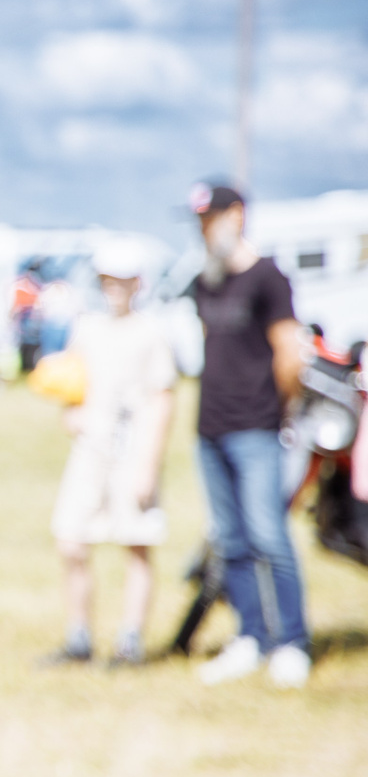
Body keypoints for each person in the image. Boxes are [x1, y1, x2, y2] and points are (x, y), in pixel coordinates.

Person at [187, 183, 311, 688]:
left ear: (236, 215)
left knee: (269, 536)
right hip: (210, 428)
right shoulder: (205, 281)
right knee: (230, 539)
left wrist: (277, 410)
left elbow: (289, 355)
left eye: (211, 217)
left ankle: (292, 642)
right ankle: (251, 635)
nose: (203, 228)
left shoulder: (268, 277)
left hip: (256, 426)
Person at [40, 240, 176, 667]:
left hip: (132, 451)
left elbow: (162, 399)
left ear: (138, 283)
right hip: (90, 451)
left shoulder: (151, 331)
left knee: (136, 543)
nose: (114, 288)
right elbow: (73, 380)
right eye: (107, 280)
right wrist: (69, 413)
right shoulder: (87, 327)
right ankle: (79, 638)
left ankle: (130, 641)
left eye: (122, 280)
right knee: (71, 541)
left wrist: (148, 466)